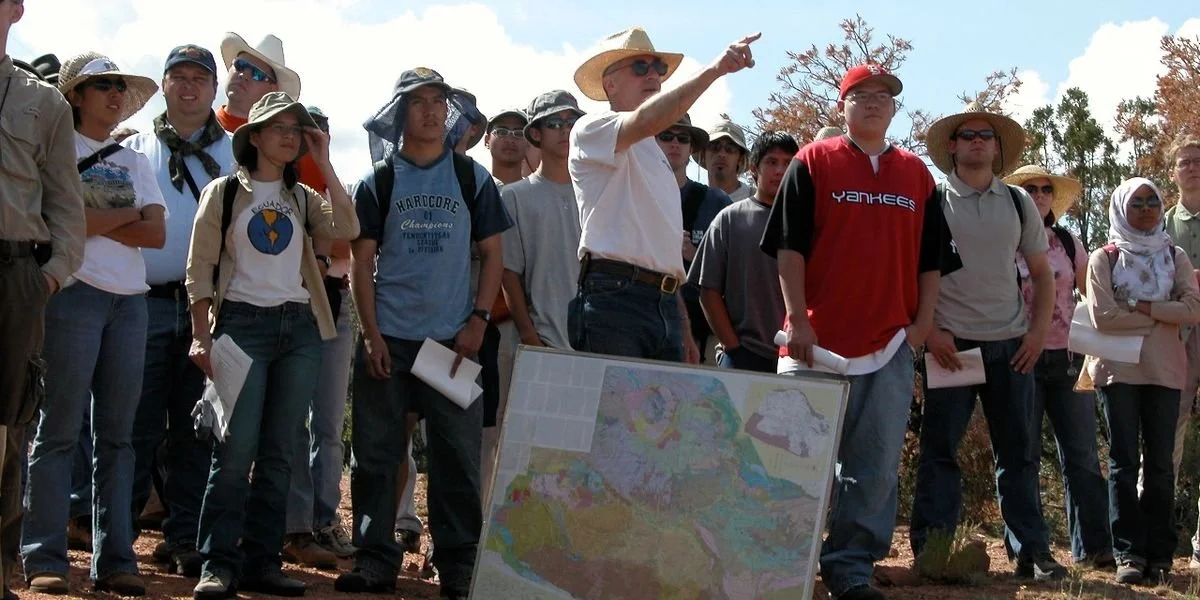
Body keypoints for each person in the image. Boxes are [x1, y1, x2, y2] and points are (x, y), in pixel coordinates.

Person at [761, 64, 958, 600]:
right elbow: (788, 247)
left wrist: (921, 324)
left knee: (873, 469)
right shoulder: (812, 161)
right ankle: (779, 565)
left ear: (894, 109)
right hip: (813, 344)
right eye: (861, 96)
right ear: (841, 106)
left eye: (884, 97)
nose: (873, 103)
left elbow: (932, 261)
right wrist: (798, 317)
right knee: (791, 463)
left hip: (890, 345)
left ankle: (849, 568)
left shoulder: (917, 175)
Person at [338, 67, 511, 600]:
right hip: (391, 337)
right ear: (399, 115)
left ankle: (457, 563)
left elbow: (493, 253)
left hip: (453, 342)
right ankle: (374, 559)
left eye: (440, 101)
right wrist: (371, 336)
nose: (433, 111)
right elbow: (359, 264)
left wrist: (478, 321)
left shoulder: (471, 178)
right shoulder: (378, 181)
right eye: (420, 103)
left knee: (456, 458)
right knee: (376, 455)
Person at [185, 91, 359, 599]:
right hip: (240, 326)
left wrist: (322, 162)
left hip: (298, 328)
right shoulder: (223, 193)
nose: (288, 134)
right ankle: (218, 564)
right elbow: (199, 270)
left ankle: (262, 562)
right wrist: (200, 337)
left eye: (296, 127)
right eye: (277, 126)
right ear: (253, 137)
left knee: (282, 452)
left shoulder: (303, 196)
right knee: (234, 450)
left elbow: (348, 226)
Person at [22, 52, 165, 597]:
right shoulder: (54, 153)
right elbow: (64, 223)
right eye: (100, 85)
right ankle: (43, 557)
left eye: (117, 86)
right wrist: (124, 216)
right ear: (75, 95)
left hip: (130, 302)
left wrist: (98, 222)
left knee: (118, 440)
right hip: (73, 297)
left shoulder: (136, 160)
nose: (112, 93)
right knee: (57, 431)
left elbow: (155, 235)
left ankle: (116, 560)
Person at [910, 102, 1066, 581]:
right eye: (968, 134)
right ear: (952, 145)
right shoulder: (930, 199)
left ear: (997, 148)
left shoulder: (1019, 202)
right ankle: (932, 551)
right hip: (951, 346)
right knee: (940, 451)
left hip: (1011, 346)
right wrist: (930, 331)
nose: (977, 141)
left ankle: (1031, 552)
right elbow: (907, 271)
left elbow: (1043, 275)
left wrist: (1038, 333)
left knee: (1018, 452)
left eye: (986, 135)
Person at [568, 26, 758, 363]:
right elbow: (644, 120)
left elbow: (660, 254)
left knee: (658, 416)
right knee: (616, 414)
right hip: (614, 297)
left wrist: (682, 323)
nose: (653, 74)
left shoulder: (655, 154)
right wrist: (715, 70)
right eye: (640, 66)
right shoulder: (592, 128)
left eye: (658, 68)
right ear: (609, 83)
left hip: (664, 302)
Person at [123, 43, 233, 578]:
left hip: (209, 312)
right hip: (140, 304)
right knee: (133, 424)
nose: (188, 86)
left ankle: (186, 536)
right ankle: (117, 537)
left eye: (199, 77)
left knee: (196, 431)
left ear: (214, 89)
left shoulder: (241, 154)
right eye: (178, 77)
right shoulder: (134, 149)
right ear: (163, 85)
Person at [0, 3, 87, 597]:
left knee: (5, 429)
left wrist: (48, 277)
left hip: (13, 276)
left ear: (16, 8)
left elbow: (65, 205)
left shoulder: (45, 102)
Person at [1084, 177, 1200, 585]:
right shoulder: (1105, 257)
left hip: (1166, 372)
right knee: (1122, 463)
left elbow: (1192, 309)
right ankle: (1129, 554)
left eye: (1153, 201)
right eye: (1137, 203)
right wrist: (1160, 313)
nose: (1148, 208)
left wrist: (1137, 305)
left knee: (1161, 468)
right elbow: (1103, 317)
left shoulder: (1175, 255)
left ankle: (1160, 554)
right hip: (1118, 373)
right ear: (1120, 208)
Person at [1002, 164, 1112, 568]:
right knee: (1022, 455)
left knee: (1082, 455)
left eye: (1046, 189)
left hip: (1069, 358)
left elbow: (1091, 293)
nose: (1039, 195)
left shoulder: (1068, 242)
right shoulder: (1003, 242)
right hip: (1019, 358)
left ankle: (1095, 548)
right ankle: (1030, 550)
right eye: (1030, 189)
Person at [689, 131, 797, 373]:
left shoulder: (809, 223)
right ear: (753, 169)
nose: (780, 170)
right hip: (743, 356)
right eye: (771, 162)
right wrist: (733, 346)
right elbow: (708, 291)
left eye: (788, 164)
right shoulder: (729, 219)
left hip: (797, 357)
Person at [656, 113, 729, 364]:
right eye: (666, 136)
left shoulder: (717, 202)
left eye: (683, 138)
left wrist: (693, 254)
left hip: (704, 325)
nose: (675, 143)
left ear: (691, 148)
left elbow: (735, 270)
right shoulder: (633, 195)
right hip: (647, 319)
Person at [695, 116, 754, 201]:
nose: (722, 154)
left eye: (730, 148)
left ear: (740, 158)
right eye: (714, 147)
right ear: (703, 154)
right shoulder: (692, 202)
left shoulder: (756, 201)